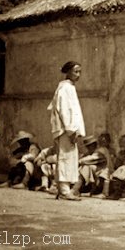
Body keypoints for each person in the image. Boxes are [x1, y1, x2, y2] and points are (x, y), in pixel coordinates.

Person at [48, 61, 86, 200]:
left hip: (69, 129)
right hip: (66, 130)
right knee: (65, 158)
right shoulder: (65, 89)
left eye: (80, 72)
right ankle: (64, 190)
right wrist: (71, 131)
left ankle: (63, 189)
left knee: (69, 158)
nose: (78, 75)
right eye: (75, 71)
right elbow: (64, 111)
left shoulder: (70, 88)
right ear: (68, 72)